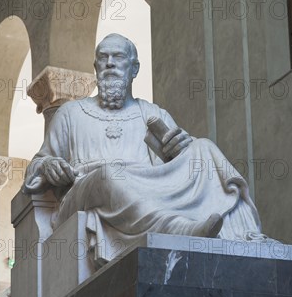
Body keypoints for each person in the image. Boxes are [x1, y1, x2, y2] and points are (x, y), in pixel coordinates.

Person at [23, 33, 266, 265]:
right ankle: (176, 229)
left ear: (134, 69)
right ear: (95, 68)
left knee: (204, 148)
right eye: (103, 58)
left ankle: (244, 234)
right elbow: (35, 167)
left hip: (148, 186)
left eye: (117, 57)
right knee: (110, 174)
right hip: (83, 193)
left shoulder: (152, 113)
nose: (109, 64)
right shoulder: (71, 113)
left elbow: (181, 156)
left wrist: (178, 148)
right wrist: (47, 165)